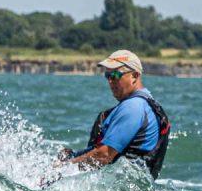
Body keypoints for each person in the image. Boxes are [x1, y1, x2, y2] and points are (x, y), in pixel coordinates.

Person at [57, 49, 170, 179]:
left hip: (121, 187)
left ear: (134, 75)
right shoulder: (147, 102)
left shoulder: (133, 107)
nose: (110, 81)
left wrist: (63, 170)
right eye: (108, 76)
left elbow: (104, 155)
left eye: (116, 75)